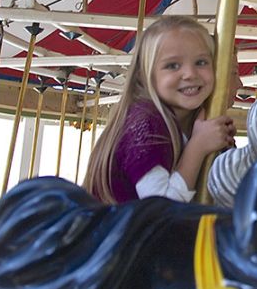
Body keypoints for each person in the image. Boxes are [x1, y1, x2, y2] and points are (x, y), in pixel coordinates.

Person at [84, 16, 237, 204]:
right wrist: (198, 146)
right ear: (144, 75)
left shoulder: (188, 123)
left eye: (201, 62)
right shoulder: (146, 123)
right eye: (172, 66)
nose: (190, 74)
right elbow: (160, 206)